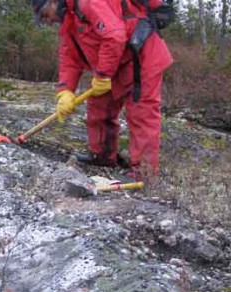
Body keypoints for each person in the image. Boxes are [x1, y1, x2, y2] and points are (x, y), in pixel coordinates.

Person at [31, 0, 174, 181]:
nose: (48, 21)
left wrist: (103, 75)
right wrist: (65, 91)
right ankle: (103, 156)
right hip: (113, 64)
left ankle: (144, 172)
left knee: (142, 114)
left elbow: (114, 35)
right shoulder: (69, 21)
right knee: (99, 107)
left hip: (141, 58)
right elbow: (69, 56)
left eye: (45, 15)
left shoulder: (89, 3)